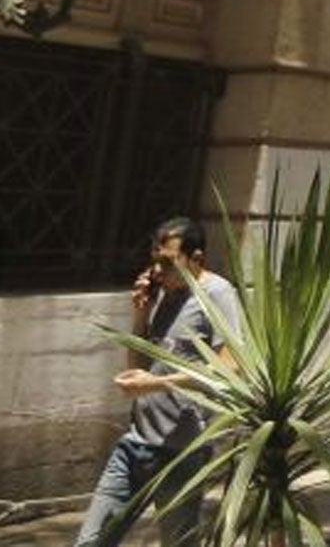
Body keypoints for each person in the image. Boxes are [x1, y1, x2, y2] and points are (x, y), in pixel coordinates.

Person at [73, 216, 242, 547]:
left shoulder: (218, 294)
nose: (158, 269)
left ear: (196, 259)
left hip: (183, 452)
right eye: (155, 259)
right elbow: (137, 364)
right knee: (91, 541)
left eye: (167, 261)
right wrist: (140, 314)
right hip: (135, 444)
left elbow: (230, 369)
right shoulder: (161, 293)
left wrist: (157, 384)